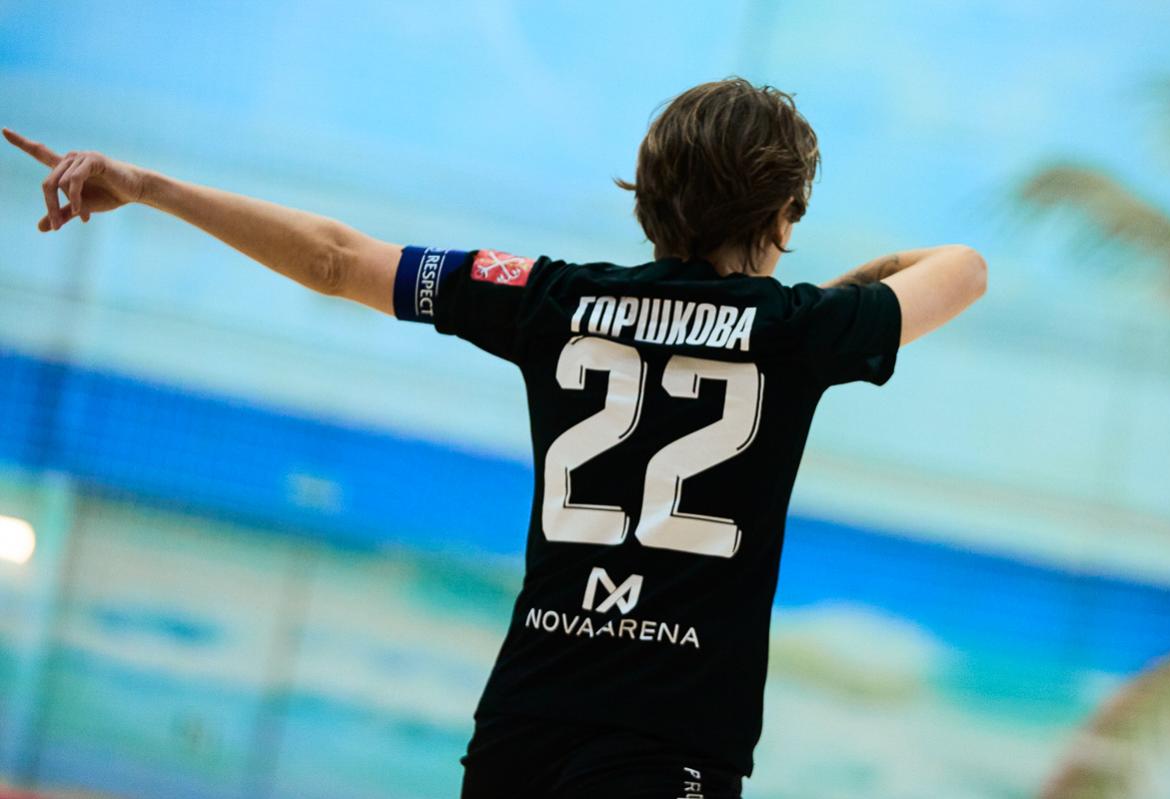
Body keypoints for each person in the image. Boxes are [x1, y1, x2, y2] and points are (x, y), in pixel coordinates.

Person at [3, 76, 986, 798]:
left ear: (644, 195)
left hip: (522, 722)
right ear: (784, 212)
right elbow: (961, 267)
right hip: (668, 745)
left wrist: (147, 185)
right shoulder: (800, 334)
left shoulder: (548, 297)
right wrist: (818, 305)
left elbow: (336, 259)